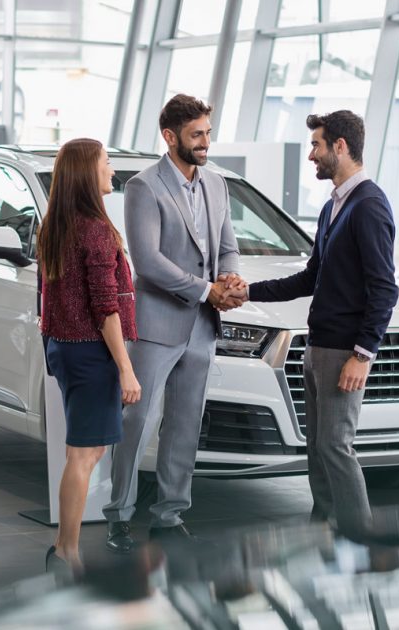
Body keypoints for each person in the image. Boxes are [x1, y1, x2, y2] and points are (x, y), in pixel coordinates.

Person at [227, 110, 399, 543]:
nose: (311, 156)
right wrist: (249, 292)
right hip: (318, 347)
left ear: (340, 147)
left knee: (336, 448)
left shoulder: (369, 206)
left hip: (344, 351)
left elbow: (384, 289)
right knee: (319, 450)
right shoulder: (333, 208)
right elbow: (310, 278)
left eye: (317, 145)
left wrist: (363, 354)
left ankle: (361, 540)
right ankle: (324, 531)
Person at [103, 94, 243, 553]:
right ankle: (118, 517)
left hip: (202, 328)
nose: (206, 142)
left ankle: (169, 515)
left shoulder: (218, 185)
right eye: (196, 134)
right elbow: (148, 262)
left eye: (208, 132)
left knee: (185, 424)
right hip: (156, 325)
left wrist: (229, 277)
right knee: (137, 419)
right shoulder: (144, 187)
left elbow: (227, 245)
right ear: (170, 136)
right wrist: (207, 290)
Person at [38, 138, 141, 574]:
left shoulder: (55, 225)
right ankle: (67, 552)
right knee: (83, 455)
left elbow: (45, 296)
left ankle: (65, 546)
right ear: (86, 173)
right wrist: (126, 368)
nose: (112, 171)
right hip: (91, 353)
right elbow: (105, 306)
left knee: (83, 451)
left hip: (64, 347)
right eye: (106, 163)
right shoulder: (95, 230)